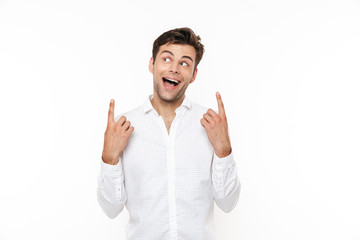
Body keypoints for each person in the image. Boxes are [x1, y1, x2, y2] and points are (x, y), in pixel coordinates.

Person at [97, 27, 240, 240]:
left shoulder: (211, 125)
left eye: (184, 63)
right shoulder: (124, 127)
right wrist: (109, 158)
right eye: (166, 59)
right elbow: (111, 208)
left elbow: (227, 203)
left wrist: (224, 150)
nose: (174, 68)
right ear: (151, 64)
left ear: (193, 75)